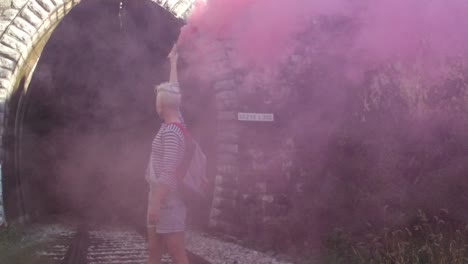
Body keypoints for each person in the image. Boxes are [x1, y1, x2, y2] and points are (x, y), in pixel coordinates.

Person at [146, 44, 189, 264]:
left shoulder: (172, 132)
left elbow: (168, 171)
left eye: (158, 100)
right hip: (161, 197)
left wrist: (156, 202)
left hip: (168, 199)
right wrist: (173, 62)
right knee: (154, 248)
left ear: (162, 105)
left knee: (175, 250)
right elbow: (174, 89)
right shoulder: (176, 121)